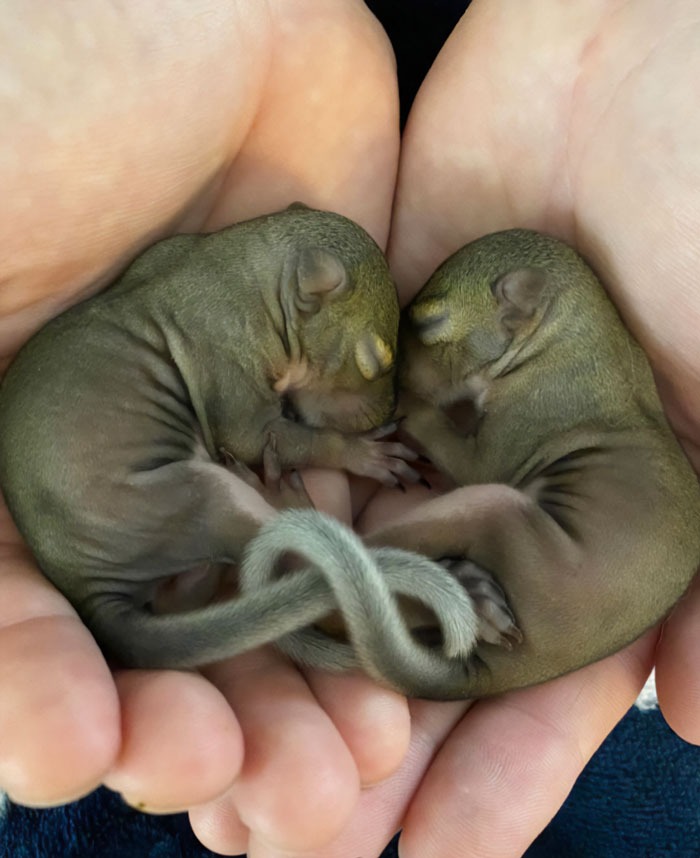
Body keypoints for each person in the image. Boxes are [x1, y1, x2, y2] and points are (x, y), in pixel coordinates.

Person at [1, 2, 698, 856]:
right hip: (119, 506)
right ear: (312, 291)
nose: (381, 387)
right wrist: (343, 448)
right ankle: (343, 577)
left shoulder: (210, 282)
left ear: (520, 311)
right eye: (360, 362)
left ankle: (353, 581)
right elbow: (255, 433)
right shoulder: (215, 324)